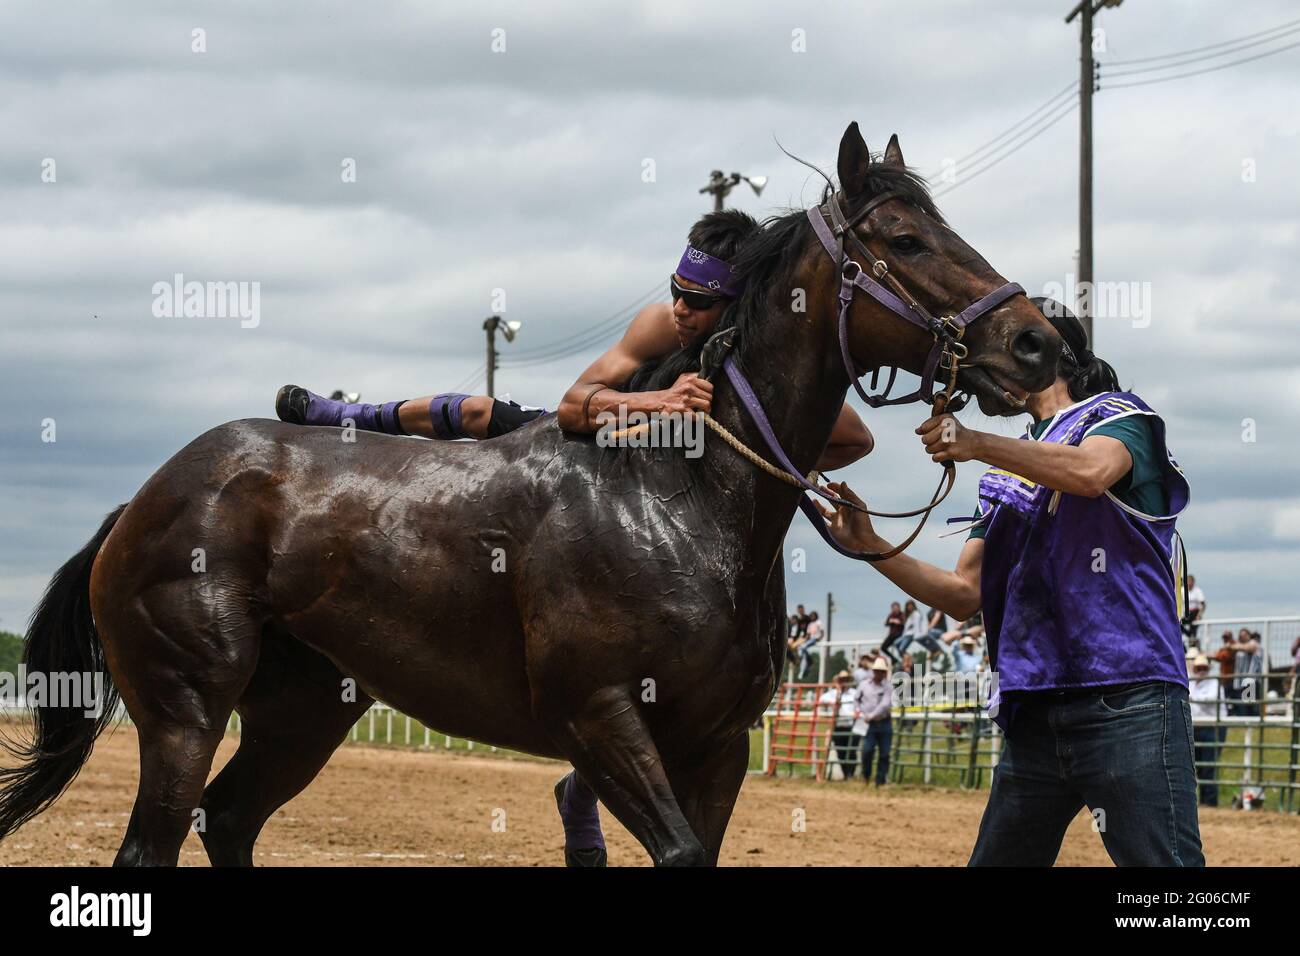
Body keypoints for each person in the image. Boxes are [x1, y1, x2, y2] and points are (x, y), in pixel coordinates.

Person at [816, 297, 1203, 867]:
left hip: (1129, 695)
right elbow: (963, 594)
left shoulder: (1121, 416)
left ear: (1042, 353)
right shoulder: (1005, 474)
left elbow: (1092, 474)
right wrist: (871, 546)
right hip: (1034, 707)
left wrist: (976, 444)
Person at [273, 210, 874, 468]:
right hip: (592, 444)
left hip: (676, 472)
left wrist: (758, 460)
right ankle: (344, 415)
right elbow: (570, 408)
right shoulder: (658, 326)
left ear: (737, 303)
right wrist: (657, 404)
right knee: (476, 409)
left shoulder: (761, 350)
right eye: (676, 290)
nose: (681, 309)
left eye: (699, 301)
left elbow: (855, 440)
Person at [1188, 655, 1223, 807]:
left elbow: (1211, 699)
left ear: (1208, 669)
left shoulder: (1214, 682)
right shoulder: (1192, 682)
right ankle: (1201, 801)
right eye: (1198, 668)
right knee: (1197, 766)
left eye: (1203, 668)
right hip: (1195, 726)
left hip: (1211, 727)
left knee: (1209, 765)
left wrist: (1193, 698)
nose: (1201, 671)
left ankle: (1210, 801)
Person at [855, 659, 893, 787]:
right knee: (867, 750)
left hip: (883, 721)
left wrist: (870, 715)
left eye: (881, 671)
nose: (879, 673)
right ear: (874, 671)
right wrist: (859, 712)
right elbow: (856, 700)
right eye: (877, 671)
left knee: (885, 753)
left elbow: (885, 704)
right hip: (868, 723)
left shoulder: (888, 686)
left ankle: (880, 781)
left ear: (884, 673)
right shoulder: (864, 685)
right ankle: (866, 776)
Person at [821, 671, 861, 780]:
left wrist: (857, 713)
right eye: (842, 680)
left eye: (846, 680)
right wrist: (831, 702)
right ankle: (846, 774)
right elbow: (822, 699)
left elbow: (860, 705)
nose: (844, 682)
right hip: (838, 726)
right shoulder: (832, 693)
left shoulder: (854, 693)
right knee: (841, 751)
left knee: (852, 750)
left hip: (852, 725)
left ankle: (850, 774)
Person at [1230, 630, 1263, 717]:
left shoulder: (1253, 643)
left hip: (1251, 680)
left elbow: (1250, 647)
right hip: (1243, 681)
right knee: (1245, 706)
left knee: (1251, 706)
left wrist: (1232, 646)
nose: (1242, 637)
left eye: (1244, 635)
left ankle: (1253, 725)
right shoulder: (1241, 648)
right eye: (1241, 636)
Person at [797, 611, 824, 681]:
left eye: (813, 616)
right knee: (801, 649)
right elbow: (808, 635)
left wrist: (819, 638)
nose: (812, 617)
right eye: (811, 616)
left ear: (816, 616)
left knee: (803, 648)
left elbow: (822, 632)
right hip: (810, 639)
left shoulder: (819, 622)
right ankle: (804, 668)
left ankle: (809, 662)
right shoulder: (810, 624)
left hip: (815, 638)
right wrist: (803, 640)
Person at [1182, 575, 1206, 644]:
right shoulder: (1182, 590)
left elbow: (1203, 604)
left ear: (1193, 582)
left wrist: (1199, 615)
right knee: (1179, 624)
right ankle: (1190, 636)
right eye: (1187, 581)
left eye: (1190, 581)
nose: (1189, 583)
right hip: (1185, 613)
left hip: (1195, 613)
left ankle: (1192, 640)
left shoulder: (1197, 591)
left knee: (1193, 629)